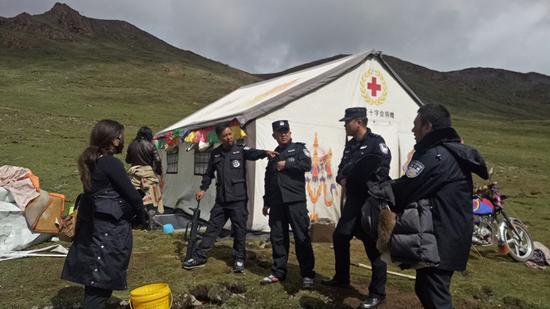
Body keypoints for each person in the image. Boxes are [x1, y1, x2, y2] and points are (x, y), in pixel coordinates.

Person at [391, 104, 488, 309]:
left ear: (428, 126)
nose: (412, 130)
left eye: (416, 125)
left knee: (435, 293)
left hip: (442, 236)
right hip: (447, 232)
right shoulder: (446, 153)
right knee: (425, 287)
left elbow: (406, 191)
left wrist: (383, 188)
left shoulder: (436, 156)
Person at [61, 119, 147, 309]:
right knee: (99, 287)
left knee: (96, 282)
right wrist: (142, 219)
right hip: (109, 233)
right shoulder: (110, 163)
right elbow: (133, 197)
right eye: (121, 137)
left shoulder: (91, 162)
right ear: (114, 140)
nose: (123, 141)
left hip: (93, 229)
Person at [182, 123, 277, 272]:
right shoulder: (215, 154)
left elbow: (253, 153)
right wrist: (203, 189)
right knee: (212, 228)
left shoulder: (240, 150)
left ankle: (239, 259)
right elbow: (208, 174)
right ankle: (199, 257)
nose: (228, 138)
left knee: (239, 230)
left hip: (238, 200)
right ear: (220, 138)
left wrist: (265, 153)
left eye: (229, 134)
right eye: (224, 136)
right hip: (222, 200)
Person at [321, 107, 391, 309]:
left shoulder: (376, 143)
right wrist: (342, 177)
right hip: (353, 201)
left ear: (358, 122)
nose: (345, 125)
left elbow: (383, 168)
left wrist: (365, 181)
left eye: (347, 121)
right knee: (340, 236)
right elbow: (342, 168)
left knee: (373, 246)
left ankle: (378, 293)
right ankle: (342, 277)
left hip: (370, 201)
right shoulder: (351, 145)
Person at [260, 120, 315, 289]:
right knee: (277, 238)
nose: (283, 134)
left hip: (295, 202)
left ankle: (307, 274)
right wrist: (266, 202)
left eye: (286, 131)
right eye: (279, 132)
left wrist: (288, 164)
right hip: (276, 203)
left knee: (301, 237)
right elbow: (268, 179)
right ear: (274, 135)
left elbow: (307, 165)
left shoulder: (299, 149)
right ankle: (278, 271)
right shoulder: (273, 154)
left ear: (290, 133)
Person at [126, 126, 164, 226]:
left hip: (135, 175)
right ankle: (151, 224)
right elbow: (158, 160)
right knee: (152, 199)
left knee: (134, 199)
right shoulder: (150, 145)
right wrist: (158, 172)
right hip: (148, 176)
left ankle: (136, 222)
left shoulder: (132, 145)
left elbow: (128, 160)